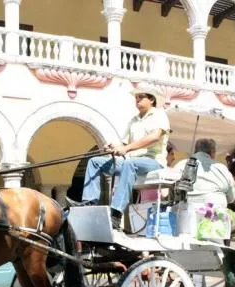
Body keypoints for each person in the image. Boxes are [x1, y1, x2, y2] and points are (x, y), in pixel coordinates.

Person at [67, 84, 171, 230]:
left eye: (141, 97)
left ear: (152, 100)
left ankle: (116, 212)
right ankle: (89, 202)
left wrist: (126, 149)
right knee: (95, 161)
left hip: (152, 161)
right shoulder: (134, 120)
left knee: (129, 164)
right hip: (132, 161)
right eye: (136, 97)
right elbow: (123, 142)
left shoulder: (159, 114)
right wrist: (113, 146)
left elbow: (154, 137)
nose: (137, 100)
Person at [176, 138, 235, 249]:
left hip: (185, 212)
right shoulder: (221, 168)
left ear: (195, 150)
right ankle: (230, 257)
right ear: (212, 152)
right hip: (212, 213)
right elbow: (232, 197)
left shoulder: (181, 165)